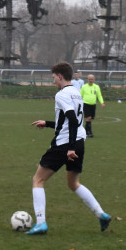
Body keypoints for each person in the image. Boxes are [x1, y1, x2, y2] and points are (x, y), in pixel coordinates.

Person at [27, 62, 111, 236]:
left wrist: (69, 148)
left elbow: (72, 120)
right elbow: (70, 121)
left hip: (65, 145)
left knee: (38, 180)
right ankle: (101, 214)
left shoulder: (62, 94)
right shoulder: (76, 93)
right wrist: (49, 123)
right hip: (80, 141)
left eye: (53, 78)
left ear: (59, 76)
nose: (53, 82)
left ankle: (41, 223)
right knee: (73, 183)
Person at [80, 73, 105, 137]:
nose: (90, 80)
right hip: (86, 104)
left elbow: (99, 95)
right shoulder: (84, 87)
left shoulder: (96, 87)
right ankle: (89, 132)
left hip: (93, 105)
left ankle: (86, 133)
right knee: (89, 117)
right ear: (87, 79)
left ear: (94, 80)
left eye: (92, 79)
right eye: (89, 79)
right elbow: (80, 96)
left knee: (90, 119)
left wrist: (102, 102)